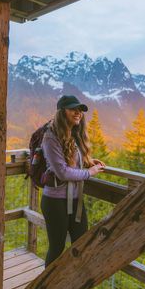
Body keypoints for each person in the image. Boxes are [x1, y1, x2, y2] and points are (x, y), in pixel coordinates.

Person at [41, 95, 105, 267]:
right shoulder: (50, 137)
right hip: (54, 202)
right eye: (73, 109)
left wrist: (89, 162)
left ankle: (69, 285)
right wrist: (89, 172)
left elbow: (71, 162)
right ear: (62, 112)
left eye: (80, 110)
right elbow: (62, 172)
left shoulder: (73, 133)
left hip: (75, 200)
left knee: (81, 243)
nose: (78, 113)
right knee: (57, 247)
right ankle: (47, 287)